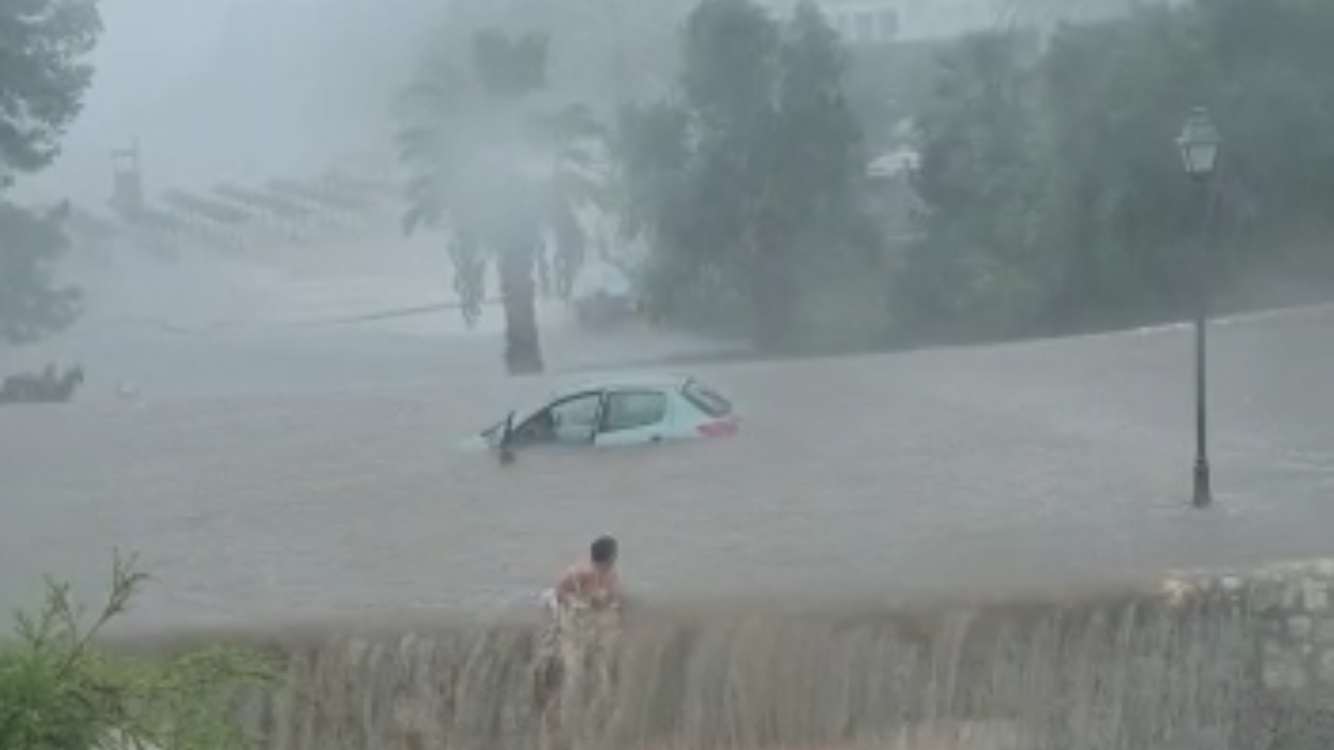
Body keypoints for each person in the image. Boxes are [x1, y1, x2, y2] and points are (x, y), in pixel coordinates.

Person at [548, 535, 623, 616]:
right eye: (615, 554)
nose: (616, 557)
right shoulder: (583, 571)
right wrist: (568, 605)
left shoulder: (611, 574)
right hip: (554, 599)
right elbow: (559, 589)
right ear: (611, 557)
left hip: (581, 599)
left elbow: (613, 597)